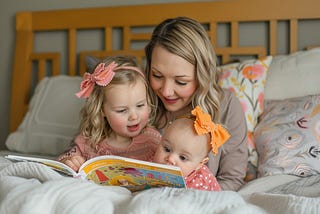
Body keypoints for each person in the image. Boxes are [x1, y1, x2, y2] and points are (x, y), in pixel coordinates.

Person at [145, 17, 248, 191]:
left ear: (202, 76)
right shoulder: (138, 100)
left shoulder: (226, 107)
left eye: (181, 82)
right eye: (157, 76)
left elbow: (232, 179)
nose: (166, 91)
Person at [57, 56, 161, 172]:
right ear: (102, 110)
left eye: (140, 105)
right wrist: (70, 162)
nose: (134, 116)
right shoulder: (89, 142)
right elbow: (60, 164)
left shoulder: (154, 141)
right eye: (122, 110)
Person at [153, 106, 230, 191]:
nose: (170, 159)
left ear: (199, 164)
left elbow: (214, 202)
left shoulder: (202, 182)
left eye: (183, 158)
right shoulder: (150, 159)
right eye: (167, 149)